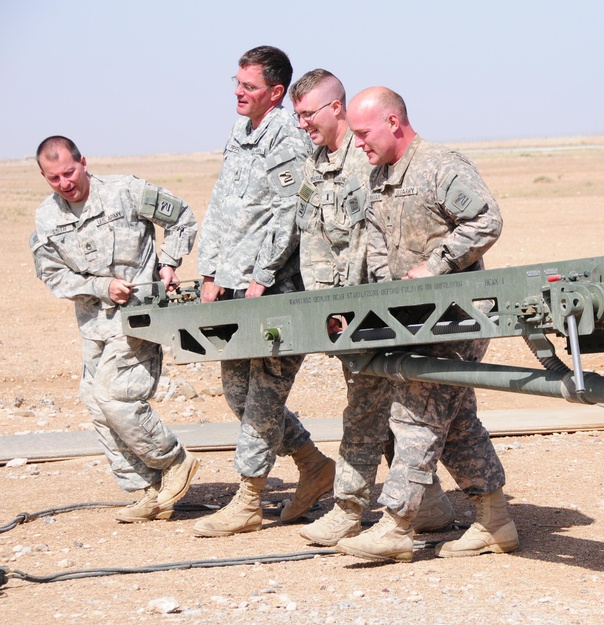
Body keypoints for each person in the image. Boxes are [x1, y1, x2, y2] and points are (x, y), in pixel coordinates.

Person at [335, 87, 519, 562]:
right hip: (410, 322)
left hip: (456, 318)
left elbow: (486, 219)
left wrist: (437, 265)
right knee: (455, 422)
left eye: (363, 133)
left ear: (393, 122)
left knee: (415, 414)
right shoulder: (378, 177)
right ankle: (495, 520)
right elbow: (377, 244)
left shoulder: (441, 165)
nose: (358, 144)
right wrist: (380, 297)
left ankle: (396, 526)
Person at [287, 70, 455, 547]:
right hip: (338, 312)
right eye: (296, 116)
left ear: (335, 108)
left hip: (372, 311)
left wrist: (374, 302)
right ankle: (432, 508)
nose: (302, 125)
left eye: (308, 115)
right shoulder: (314, 164)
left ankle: (350, 508)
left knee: (370, 411)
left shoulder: (369, 161)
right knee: (383, 410)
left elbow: (377, 242)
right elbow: (311, 236)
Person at [194, 46, 334, 537]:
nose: (238, 92)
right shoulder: (241, 132)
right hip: (232, 286)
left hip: (274, 292)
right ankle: (313, 463)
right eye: (236, 82)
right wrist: (209, 270)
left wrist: (264, 275)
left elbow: (289, 213)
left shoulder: (287, 139)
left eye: (249, 86)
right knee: (236, 392)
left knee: (263, 400)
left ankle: (249, 499)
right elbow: (222, 202)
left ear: (275, 93)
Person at [30, 136, 200, 523]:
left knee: (115, 397)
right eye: (54, 177)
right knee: (96, 404)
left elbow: (182, 218)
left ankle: (174, 461)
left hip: (139, 318)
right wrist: (98, 286)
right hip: (94, 325)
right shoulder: (47, 218)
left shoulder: (126, 191)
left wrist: (168, 263)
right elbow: (53, 275)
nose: (65, 183)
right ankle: (147, 492)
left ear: (84, 162)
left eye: (70, 172)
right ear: (44, 176)